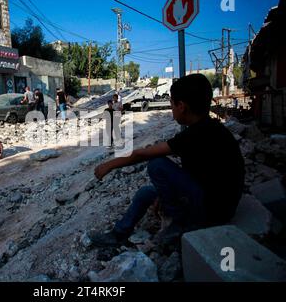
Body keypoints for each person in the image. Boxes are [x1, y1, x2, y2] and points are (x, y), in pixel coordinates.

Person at [89, 74, 245, 247]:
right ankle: (118, 234)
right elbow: (200, 174)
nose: (171, 108)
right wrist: (165, 195)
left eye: (171, 104)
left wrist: (109, 165)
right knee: (145, 194)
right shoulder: (211, 129)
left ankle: (178, 222)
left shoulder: (196, 135)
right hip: (214, 200)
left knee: (157, 164)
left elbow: (143, 154)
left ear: (181, 106)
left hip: (215, 211)